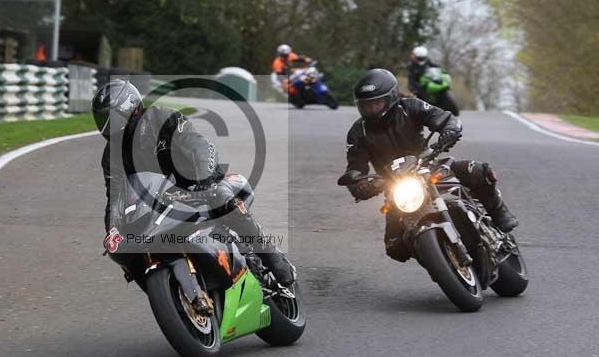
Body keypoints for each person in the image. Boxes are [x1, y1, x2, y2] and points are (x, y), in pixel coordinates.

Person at [92, 79, 295, 285]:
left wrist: (205, 182)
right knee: (131, 253)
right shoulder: (111, 156)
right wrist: (113, 230)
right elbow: (115, 197)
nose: (108, 126)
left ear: (131, 107)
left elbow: (199, 146)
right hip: (160, 202)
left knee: (221, 197)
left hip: (197, 182)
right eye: (103, 120)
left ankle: (271, 256)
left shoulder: (162, 118)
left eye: (112, 118)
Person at [340, 69, 519, 262]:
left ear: (391, 97)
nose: (372, 109)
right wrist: (359, 185)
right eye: (366, 105)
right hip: (394, 186)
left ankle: (498, 212)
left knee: (479, 172)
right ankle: (439, 258)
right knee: (395, 248)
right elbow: (354, 168)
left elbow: (445, 118)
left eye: (377, 103)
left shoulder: (410, 106)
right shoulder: (358, 132)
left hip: (429, 166)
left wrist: (449, 131)